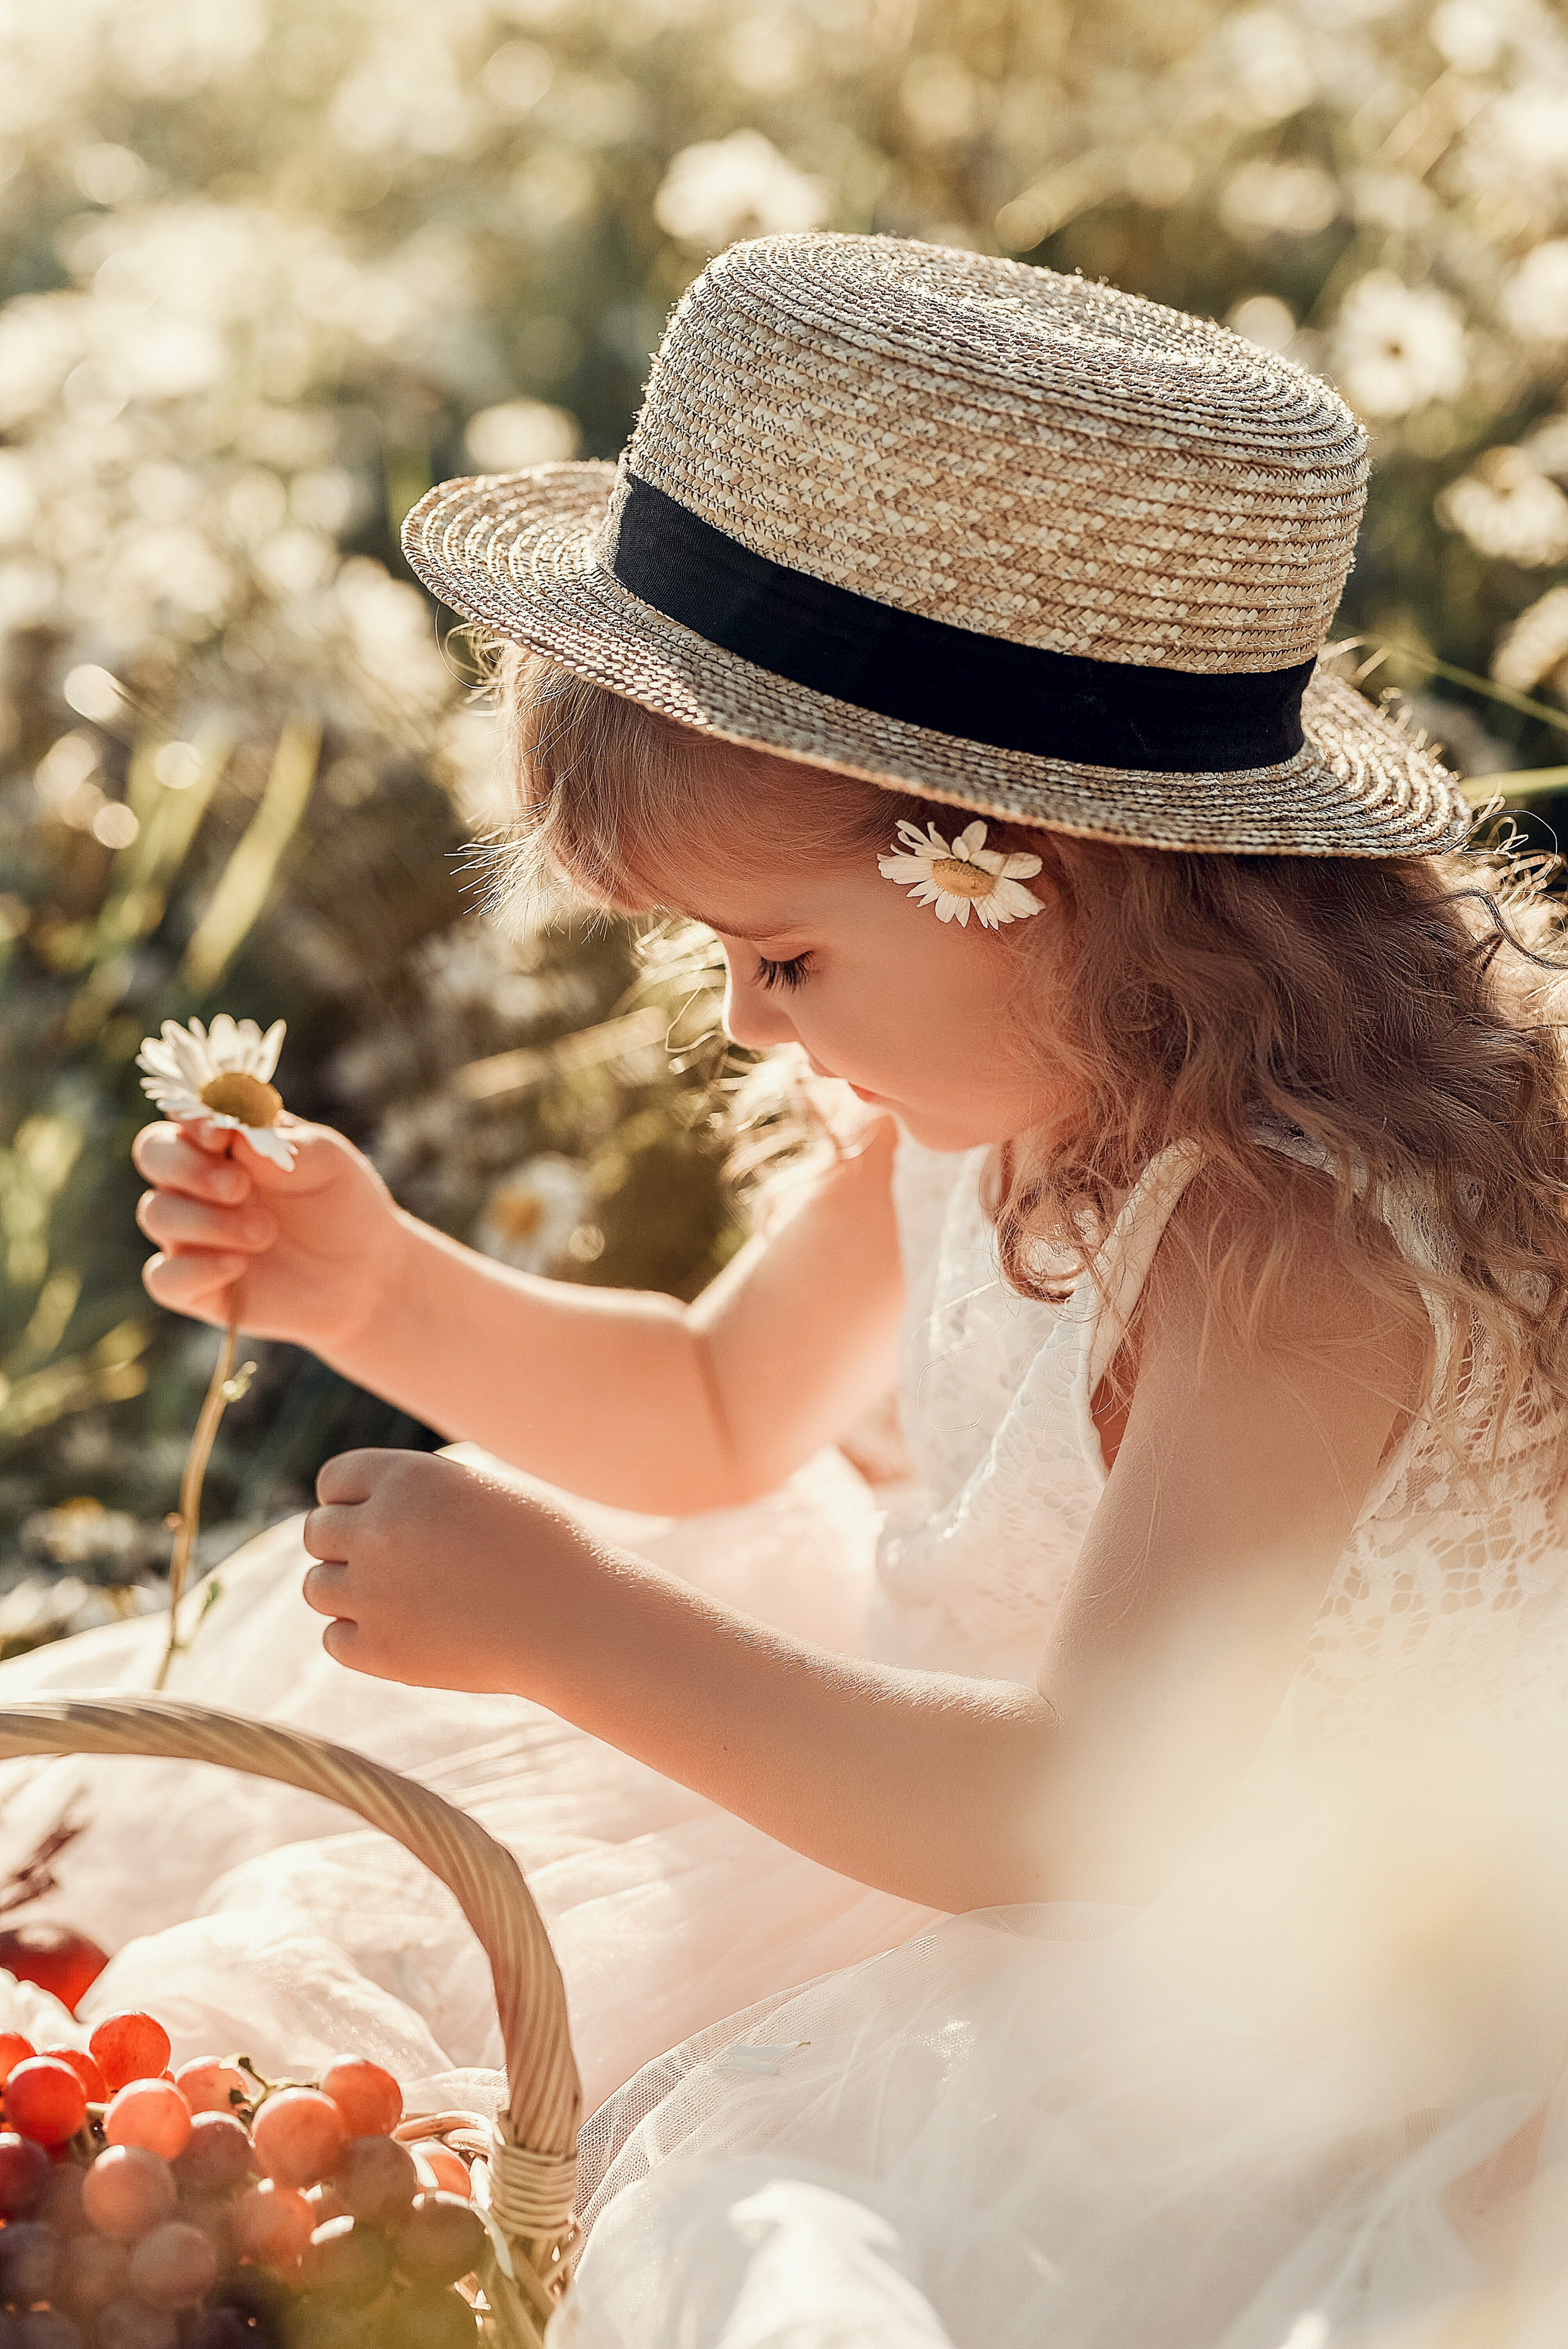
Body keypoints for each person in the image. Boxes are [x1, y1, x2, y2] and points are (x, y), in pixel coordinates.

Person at [9, 233, 1568, 2342]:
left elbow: (1078, 1811)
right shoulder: (986, 1096)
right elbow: (716, 1409)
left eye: (784, 956)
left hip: (1233, 1958)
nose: (749, 1025)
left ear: (1042, 877)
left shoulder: (1295, 1244)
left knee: (781, 2232)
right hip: (934, 1778)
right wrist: (369, 1286)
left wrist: (570, 1624)